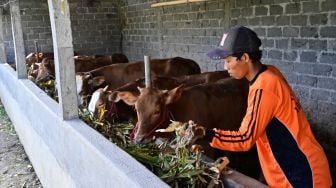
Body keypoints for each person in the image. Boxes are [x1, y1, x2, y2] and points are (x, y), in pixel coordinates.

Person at [184, 26, 332, 187]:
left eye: (228, 60)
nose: (225, 67)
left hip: (300, 174)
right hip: (302, 164)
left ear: (245, 57)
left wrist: (206, 133)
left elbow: (245, 139)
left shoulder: (264, 87)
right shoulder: (269, 72)